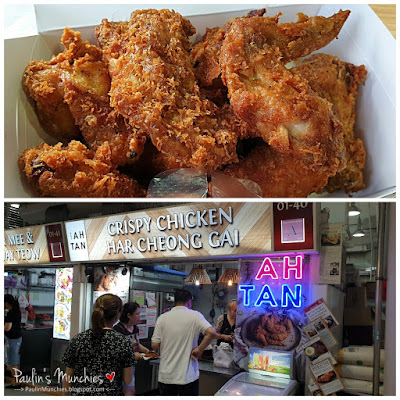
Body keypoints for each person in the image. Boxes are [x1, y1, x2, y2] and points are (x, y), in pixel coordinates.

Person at [62, 294, 135, 396]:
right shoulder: (123, 342)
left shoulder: (78, 340)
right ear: (118, 315)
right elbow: (128, 380)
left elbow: (68, 378)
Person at [151, 289, 216, 396]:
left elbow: (154, 344)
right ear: (189, 302)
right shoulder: (195, 315)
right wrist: (199, 350)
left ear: (174, 302)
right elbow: (211, 333)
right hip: (187, 377)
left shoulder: (162, 318)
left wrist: (169, 342)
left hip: (166, 376)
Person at [114, 302, 150, 395]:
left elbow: (137, 344)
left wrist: (147, 351)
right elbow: (117, 352)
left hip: (131, 366)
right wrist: (133, 355)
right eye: (137, 314)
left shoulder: (135, 328)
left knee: (130, 391)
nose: (139, 316)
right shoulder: (118, 330)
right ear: (129, 315)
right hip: (120, 368)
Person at [4, 294, 23, 389]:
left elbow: (7, 328)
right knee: (13, 361)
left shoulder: (11, 313)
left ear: (6, 303)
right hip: (16, 339)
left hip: (12, 340)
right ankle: (16, 381)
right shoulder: (16, 311)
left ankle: (16, 383)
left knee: (12, 362)